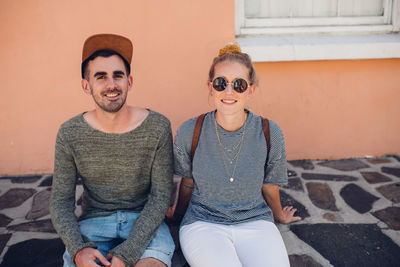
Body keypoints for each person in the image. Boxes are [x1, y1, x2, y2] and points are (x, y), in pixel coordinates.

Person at [169, 43, 301, 267]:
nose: (228, 92)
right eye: (221, 83)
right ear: (210, 87)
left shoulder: (270, 132)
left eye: (238, 85)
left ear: (251, 90)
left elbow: (270, 186)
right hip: (203, 224)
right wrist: (178, 215)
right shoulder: (190, 131)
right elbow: (188, 183)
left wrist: (278, 215)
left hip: (256, 223)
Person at [50, 33, 175, 267]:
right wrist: (78, 249)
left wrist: (128, 253)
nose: (111, 85)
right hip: (94, 224)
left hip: (145, 223)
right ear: (86, 86)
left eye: (118, 75)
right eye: (101, 77)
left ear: (130, 81)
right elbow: (60, 202)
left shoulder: (157, 127)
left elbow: (160, 197)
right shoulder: (70, 133)